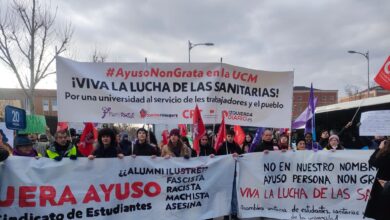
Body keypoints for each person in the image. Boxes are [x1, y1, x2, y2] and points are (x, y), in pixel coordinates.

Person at [364, 140, 390, 220]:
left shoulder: (385, 153)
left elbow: (372, 161)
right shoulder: (385, 154)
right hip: (382, 186)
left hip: (383, 186)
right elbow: (373, 162)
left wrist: (379, 148)